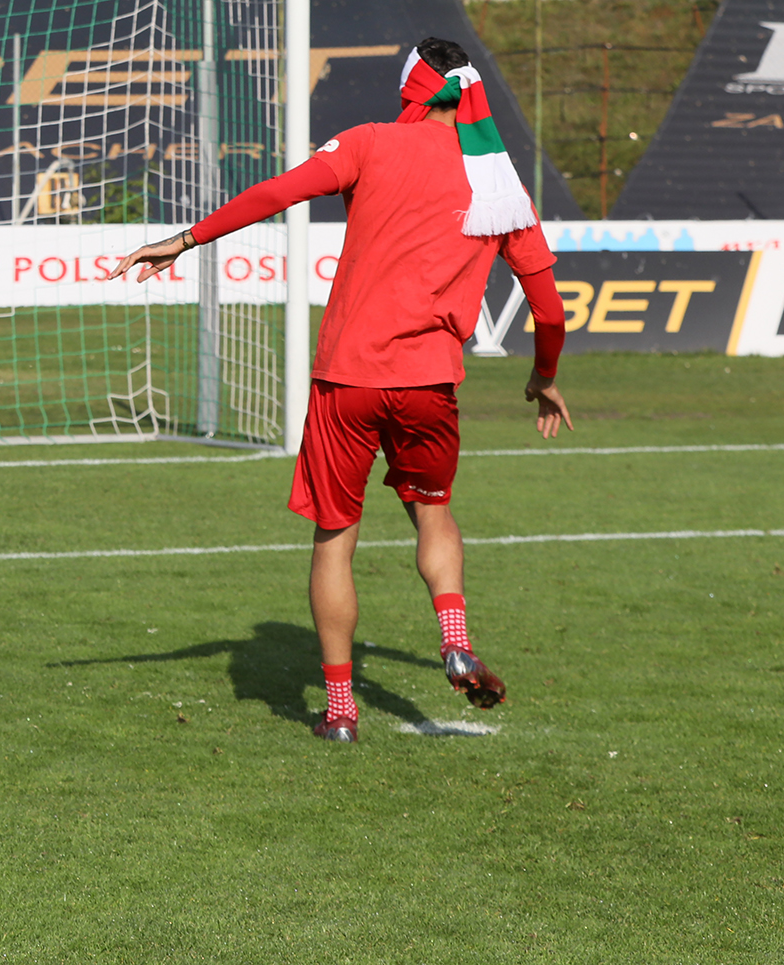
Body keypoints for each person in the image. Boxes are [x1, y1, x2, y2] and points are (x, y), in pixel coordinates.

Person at [111, 37, 572, 743]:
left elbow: (278, 192)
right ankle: (454, 637)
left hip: (347, 379)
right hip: (429, 383)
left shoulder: (369, 142)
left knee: (335, 540)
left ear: (411, 89)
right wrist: (544, 375)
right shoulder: (498, 180)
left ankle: (340, 712)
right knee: (435, 515)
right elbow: (549, 308)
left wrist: (184, 240)